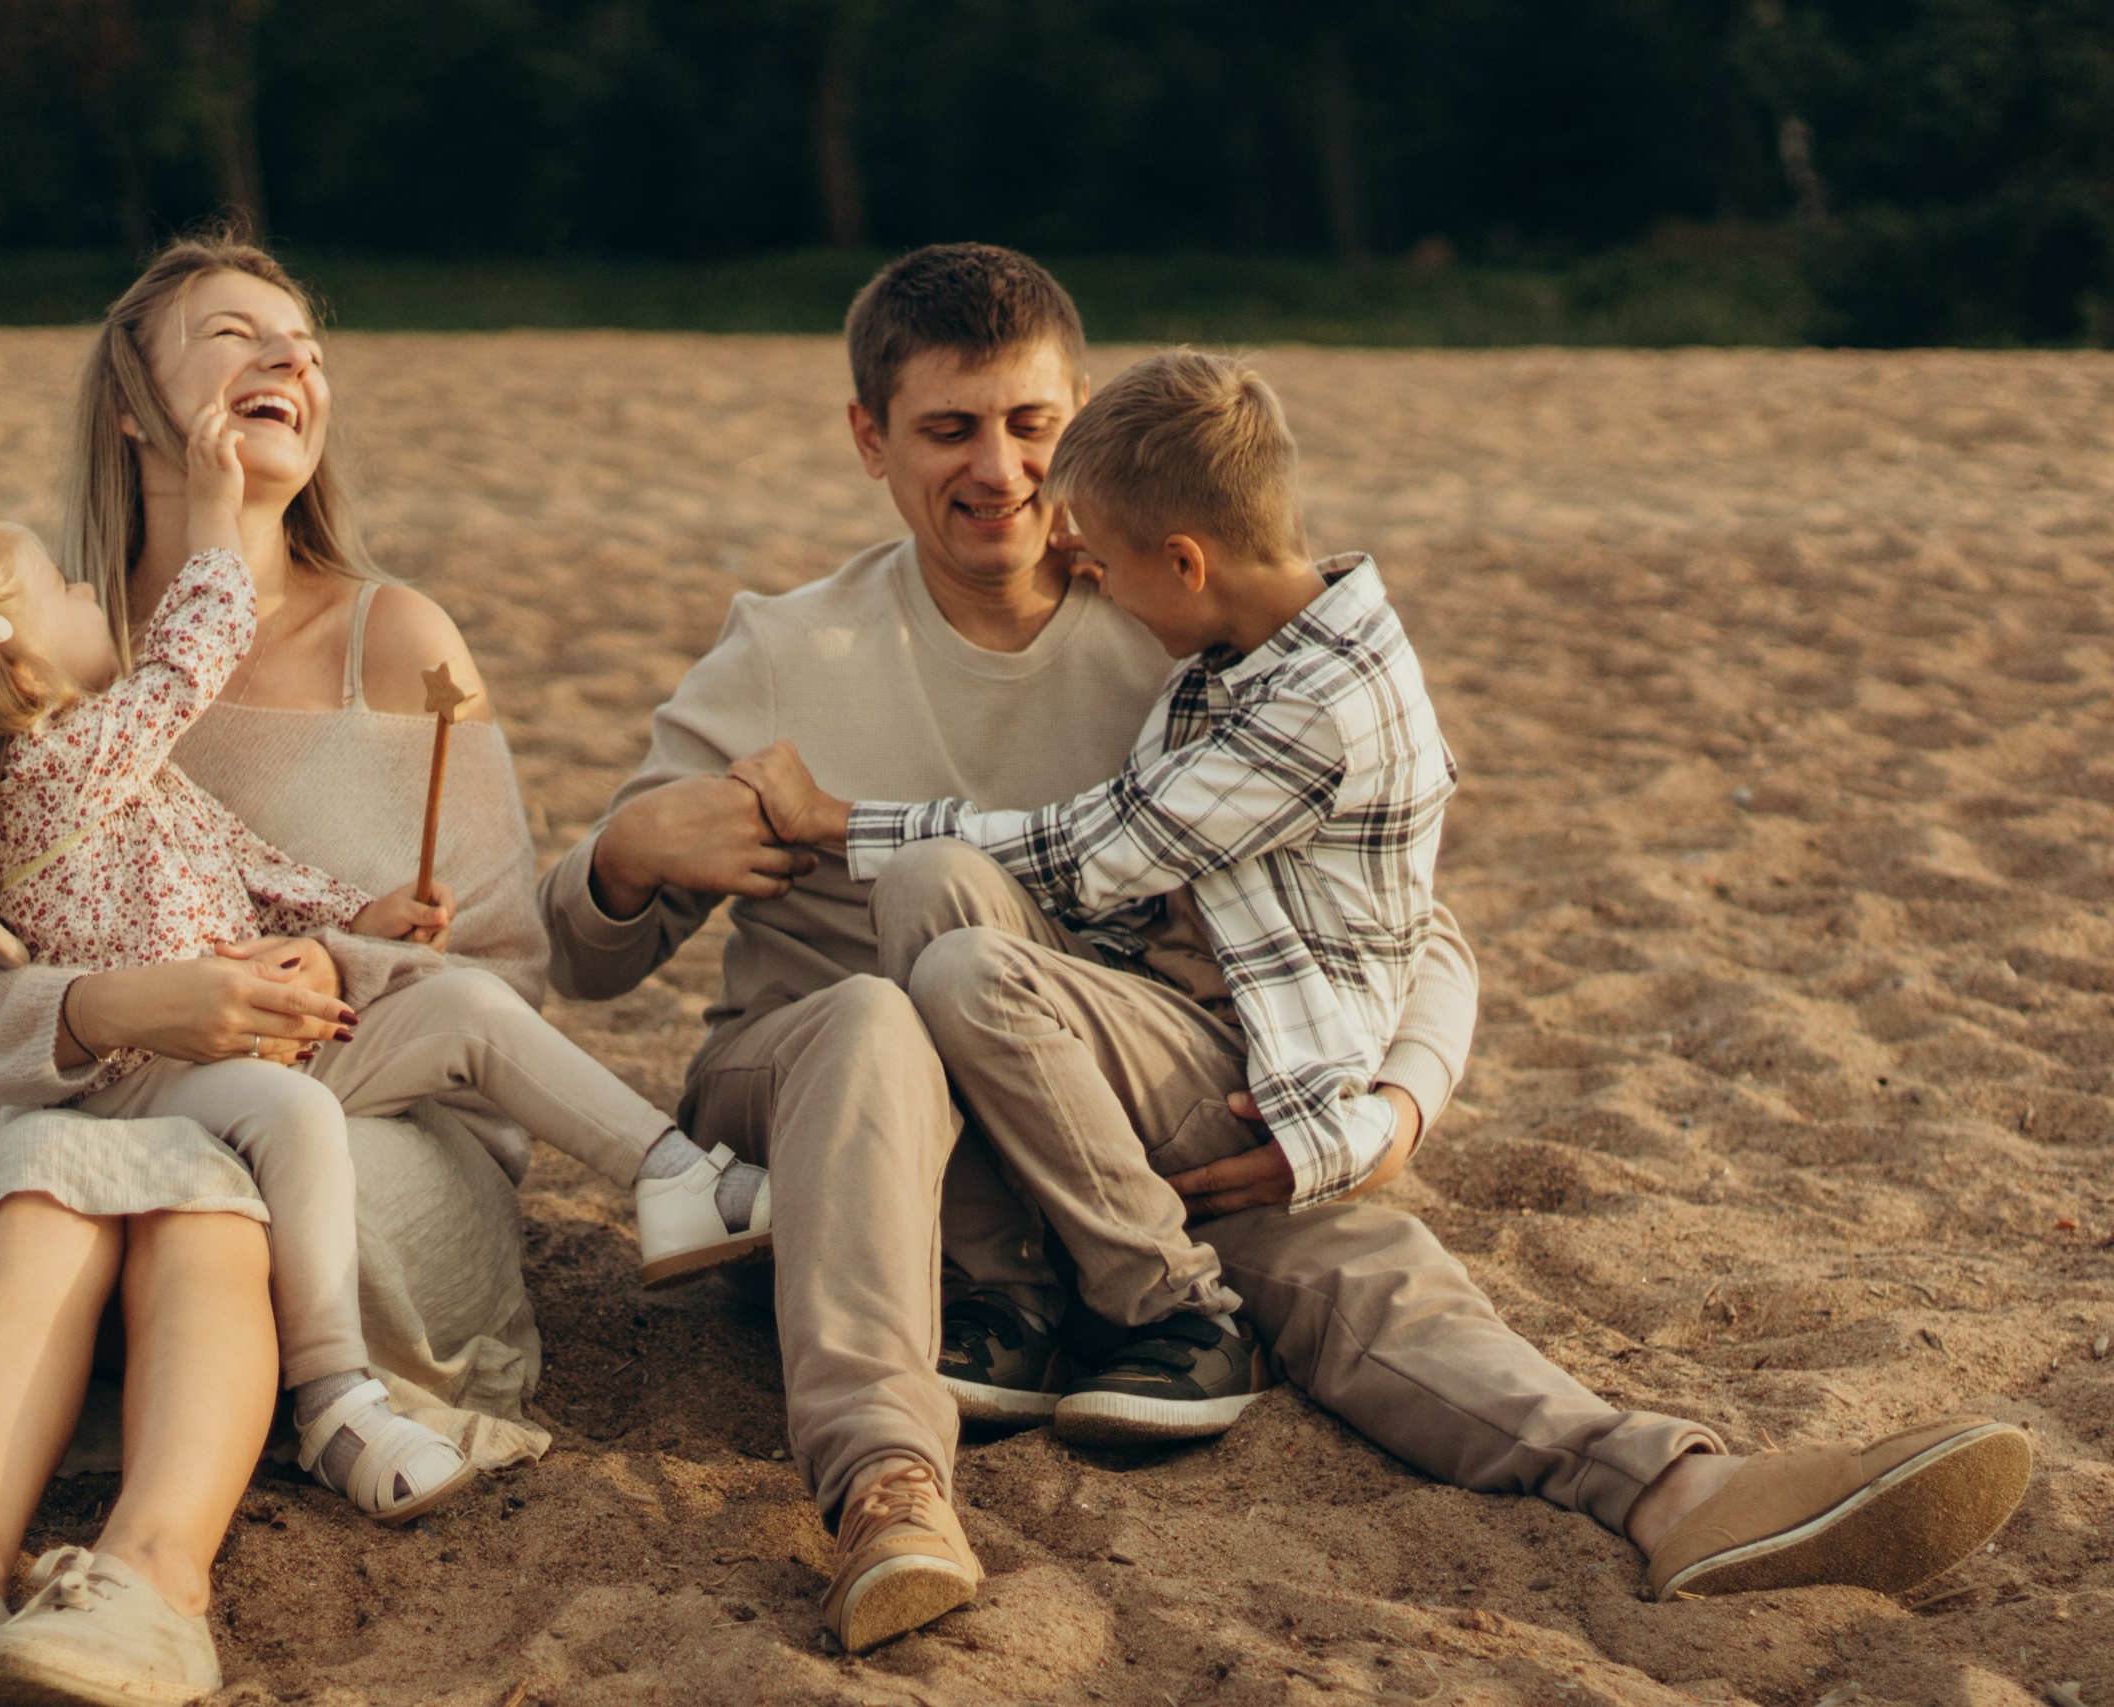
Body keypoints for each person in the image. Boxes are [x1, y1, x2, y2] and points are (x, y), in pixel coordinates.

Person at [542, 242, 2033, 1651]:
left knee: (1311, 1200)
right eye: (947, 430)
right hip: (841, 1103)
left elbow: (1409, 918)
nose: (997, 471)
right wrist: (617, 859)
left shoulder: (1169, 617)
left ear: (1085, 426)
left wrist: (1388, 1107)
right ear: (871, 439)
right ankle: (889, 1484)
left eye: (1030, 424)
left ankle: (1668, 1485)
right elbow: (590, 962)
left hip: (1087, 1080)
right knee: (886, 1001)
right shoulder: (786, 649)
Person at [0, 233, 627, 1707]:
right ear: (130, 403)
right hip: (129, 1112)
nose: (288, 356)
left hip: (375, 1153)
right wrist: (130, 1004)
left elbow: (496, 971)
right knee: (67, 1144)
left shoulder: (400, 637)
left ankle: (156, 1579)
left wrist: (338, 953)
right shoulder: (26, 662)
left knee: (188, 1156)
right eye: (236, 332)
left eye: (304, 338)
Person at [0, 428, 766, 1518]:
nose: (84, 588)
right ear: (12, 663)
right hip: (146, 1073)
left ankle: (675, 1178)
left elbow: (234, 860)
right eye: (56, 587)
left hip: (249, 1031)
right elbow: (192, 654)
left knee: (462, 1002)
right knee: (292, 1112)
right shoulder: (55, 763)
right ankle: (334, 1394)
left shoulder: (106, 767)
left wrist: (350, 918)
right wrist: (220, 512)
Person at [730, 346, 1456, 1446]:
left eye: (1106, 566)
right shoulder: (1264, 638)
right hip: (1153, 1003)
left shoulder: (1319, 707)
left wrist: (837, 821)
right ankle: (1005, 1297)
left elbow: (1090, 854)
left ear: (1183, 561)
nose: (1089, 582)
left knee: (968, 968)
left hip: (1252, 1068)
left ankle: (1177, 1308)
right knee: (929, 887)